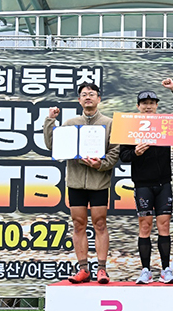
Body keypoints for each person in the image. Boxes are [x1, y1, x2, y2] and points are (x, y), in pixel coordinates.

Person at [43, 82, 119, 284]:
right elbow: (53, 145)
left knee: (100, 223)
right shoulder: (70, 123)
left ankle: (102, 269)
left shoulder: (109, 123)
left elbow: (115, 151)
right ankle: (83, 269)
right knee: (78, 224)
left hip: (99, 182)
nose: (88, 97)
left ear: (99, 99)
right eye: (84, 94)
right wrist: (50, 121)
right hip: (75, 182)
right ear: (79, 100)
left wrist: (100, 165)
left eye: (92, 94)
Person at [119, 90, 173, 284]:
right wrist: (135, 152)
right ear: (138, 106)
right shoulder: (130, 128)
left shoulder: (165, 125)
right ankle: (145, 270)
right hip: (142, 184)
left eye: (152, 102)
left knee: (164, 226)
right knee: (145, 226)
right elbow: (123, 155)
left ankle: (166, 269)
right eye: (144, 103)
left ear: (157, 105)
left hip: (164, 183)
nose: (148, 106)